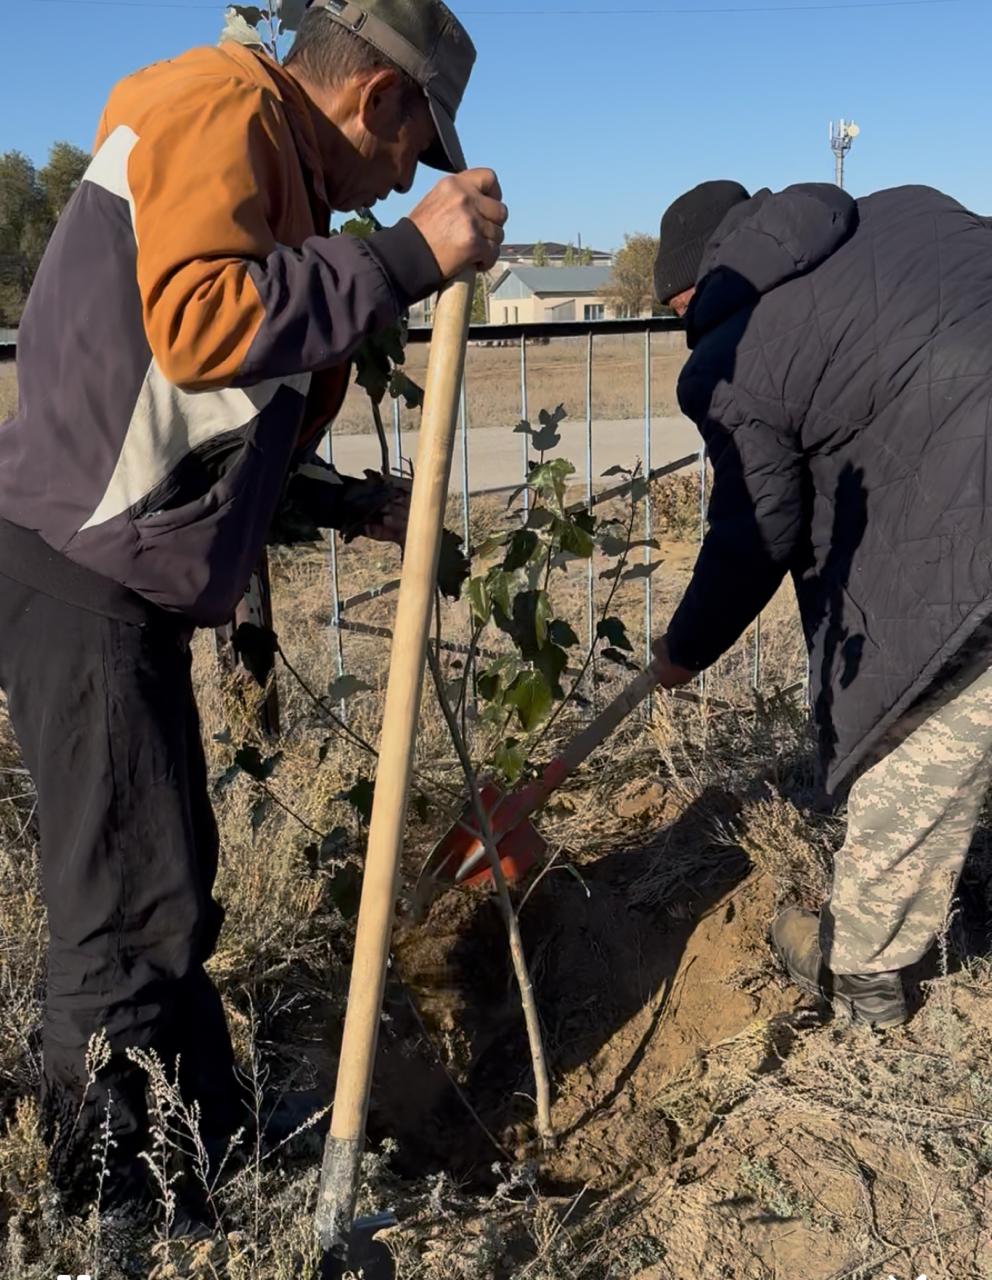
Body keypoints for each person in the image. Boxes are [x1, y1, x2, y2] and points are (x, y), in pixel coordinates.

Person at [0, 0, 507, 1224]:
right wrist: (403, 258)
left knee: (168, 884)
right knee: (123, 911)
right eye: (410, 153)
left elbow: (189, 423)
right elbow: (195, 326)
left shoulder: (261, 153)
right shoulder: (222, 109)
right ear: (377, 102)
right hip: (81, 577)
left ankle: (201, 1137)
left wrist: (337, 499)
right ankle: (114, 1202)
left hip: (111, 573)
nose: (400, 182)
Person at [650, 178, 992, 1031]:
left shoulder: (736, 353)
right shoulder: (904, 206)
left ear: (688, 291)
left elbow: (755, 535)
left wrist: (683, 649)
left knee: (919, 733)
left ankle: (865, 977)